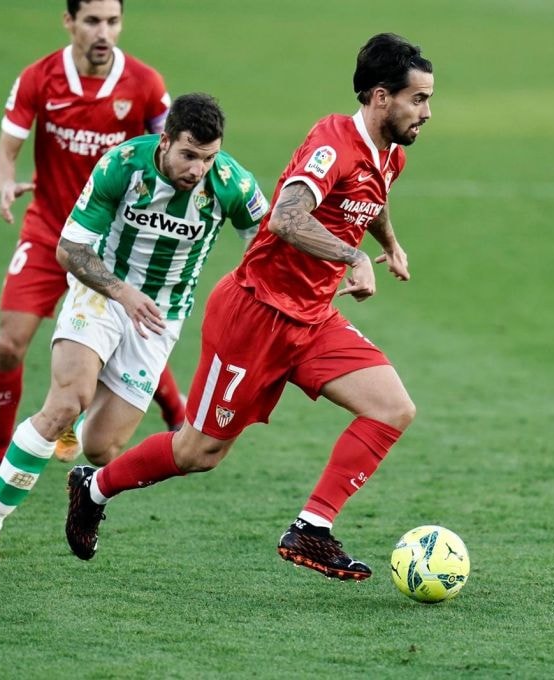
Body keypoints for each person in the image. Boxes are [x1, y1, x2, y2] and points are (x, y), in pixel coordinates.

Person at [65, 33, 434, 581]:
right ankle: (93, 488)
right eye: (418, 98)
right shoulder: (333, 143)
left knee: (392, 408)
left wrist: (387, 243)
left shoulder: (390, 154)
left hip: (312, 318)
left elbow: (369, 198)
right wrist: (351, 257)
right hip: (255, 313)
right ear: (381, 97)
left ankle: (312, 528)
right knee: (198, 452)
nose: (427, 111)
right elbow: (286, 217)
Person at [0, 93, 268, 561]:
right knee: (65, 402)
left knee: (103, 449)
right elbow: (70, 250)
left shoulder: (231, 183)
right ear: (164, 141)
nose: (197, 169)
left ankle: (73, 433)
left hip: (160, 318)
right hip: (102, 293)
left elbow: (269, 247)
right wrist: (123, 293)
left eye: (208, 157)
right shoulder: (121, 166)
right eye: (188, 155)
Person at [0, 0, 188, 489]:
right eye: (92, 21)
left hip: (116, 241)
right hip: (47, 232)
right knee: (7, 344)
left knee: (134, 332)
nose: (104, 32)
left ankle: (176, 416)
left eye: (113, 21)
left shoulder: (144, 85)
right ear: (69, 22)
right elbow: (4, 152)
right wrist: (4, 182)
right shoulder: (39, 78)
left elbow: (170, 155)